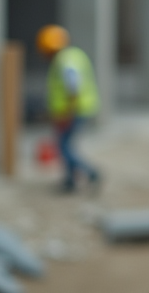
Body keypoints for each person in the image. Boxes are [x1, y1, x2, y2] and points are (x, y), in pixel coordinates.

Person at [36, 25, 101, 193]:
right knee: (66, 145)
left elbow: (73, 88)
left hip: (74, 111)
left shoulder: (65, 61)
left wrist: (67, 113)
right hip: (77, 109)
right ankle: (70, 181)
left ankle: (91, 173)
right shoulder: (72, 56)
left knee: (63, 147)